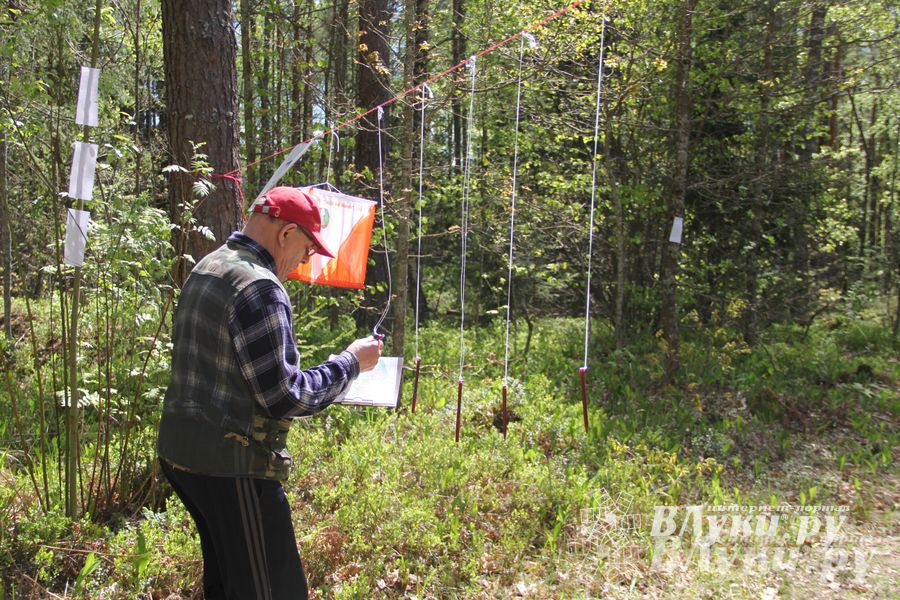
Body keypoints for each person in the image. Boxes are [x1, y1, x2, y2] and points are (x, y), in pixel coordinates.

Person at [157, 186, 382, 600]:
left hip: (183, 456)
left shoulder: (209, 265)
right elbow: (286, 397)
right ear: (286, 234)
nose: (304, 260)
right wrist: (350, 363)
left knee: (228, 583)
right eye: (307, 248)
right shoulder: (260, 287)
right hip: (233, 465)